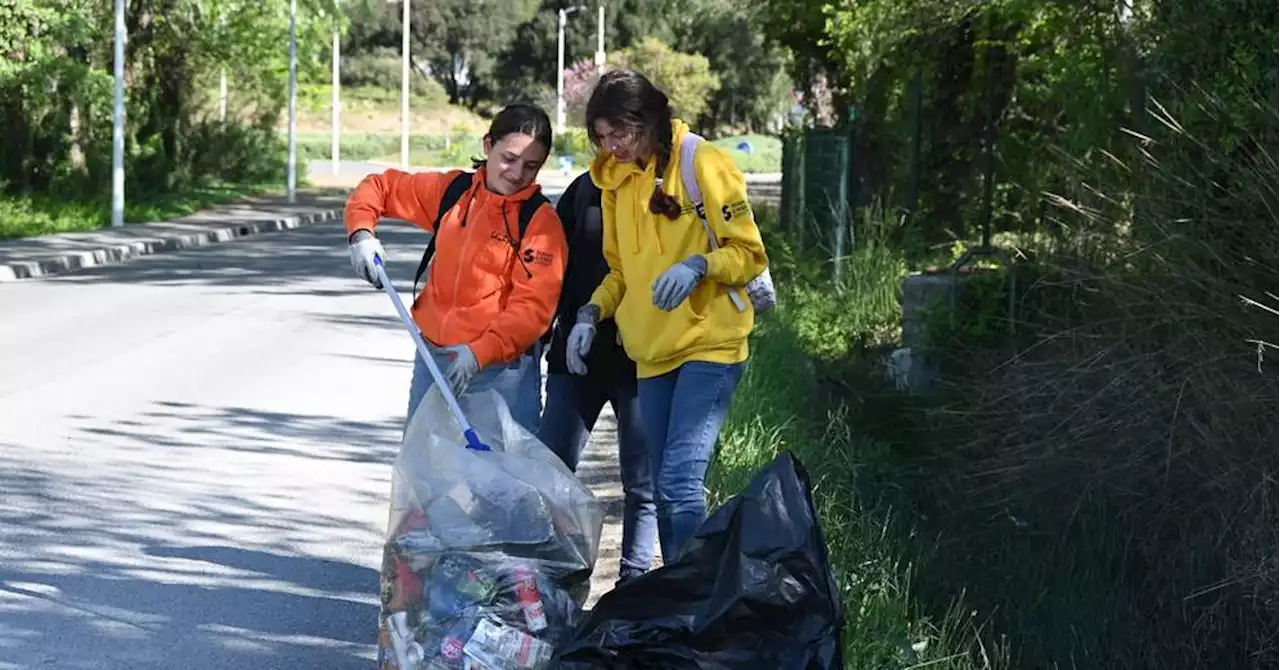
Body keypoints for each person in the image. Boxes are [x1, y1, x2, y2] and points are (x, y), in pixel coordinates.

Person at [564, 69, 769, 563]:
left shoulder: (705, 162)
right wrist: (590, 315)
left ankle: (694, 600)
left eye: (620, 134)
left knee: (679, 481)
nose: (610, 146)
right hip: (651, 353)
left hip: (710, 344)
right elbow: (620, 272)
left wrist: (701, 265)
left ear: (648, 121)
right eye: (601, 136)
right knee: (660, 486)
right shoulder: (615, 181)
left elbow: (749, 254)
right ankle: (680, 599)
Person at [344, 103, 566, 434]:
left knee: (499, 481)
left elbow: (533, 308)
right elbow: (381, 186)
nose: (517, 174)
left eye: (531, 166)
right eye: (509, 158)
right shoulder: (454, 193)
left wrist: (480, 353)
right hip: (433, 359)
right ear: (488, 146)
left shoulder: (539, 222)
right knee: (426, 475)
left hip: (500, 373)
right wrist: (361, 233)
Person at [538, 170, 657, 584]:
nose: (613, 146)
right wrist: (540, 331)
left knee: (643, 484)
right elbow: (549, 269)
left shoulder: (663, 189)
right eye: (603, 136)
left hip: (642, 359)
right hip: (576, 350)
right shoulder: (584, 190)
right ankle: (547, 580)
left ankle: (633, 584)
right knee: (549, 470)